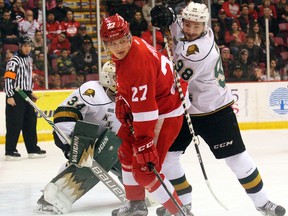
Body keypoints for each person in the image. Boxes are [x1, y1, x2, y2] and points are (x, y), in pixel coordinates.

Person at [150, 2, 286, 216]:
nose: (191, 30)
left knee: (236, 158)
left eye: (196, 26)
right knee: (168, 158)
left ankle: (263, 202)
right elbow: (176, 26)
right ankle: (183, 203)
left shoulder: (198, 51)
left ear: (204, 26)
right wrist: (168, 16)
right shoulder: (191, 29)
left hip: (214, 110)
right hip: (184, 109)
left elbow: (170, 79)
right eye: (188, 24)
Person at [100, 14, 192, 216]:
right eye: (113, 43)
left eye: (123, 40)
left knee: (145, 170)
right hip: (156, 106)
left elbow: (146, 109)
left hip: (166, 112)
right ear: (106, 43)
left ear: (129, 36)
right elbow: (133, 90)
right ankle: (136, 206)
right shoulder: (130, 51)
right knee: (125, 149)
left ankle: (180, 212)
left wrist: (144, 142)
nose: (119, 46)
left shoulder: (137, 62)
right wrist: (123, 100)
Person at [36, 61, 123, 214]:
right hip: (77, 135)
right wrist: (75, 142)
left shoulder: (127, 99)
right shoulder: (93, 91)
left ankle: (137, 188)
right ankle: (53, 196)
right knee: (81, 161)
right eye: (118, 76)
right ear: (107, 77)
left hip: (108, 141)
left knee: (128, 160)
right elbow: (64, 112)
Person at [3, 36, 46, 160]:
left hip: (25, 94)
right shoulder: (14, 61)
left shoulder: (29, 60)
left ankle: (32, 149)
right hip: (16, 94)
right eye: (25, 46)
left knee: (30, 121)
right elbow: (8, 79)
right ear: (20, 46)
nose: (27, 48)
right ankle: (10, 151)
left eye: (29, 46)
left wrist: (30, 92)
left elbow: (27, 78)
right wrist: (10, 95)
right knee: (14, 123)